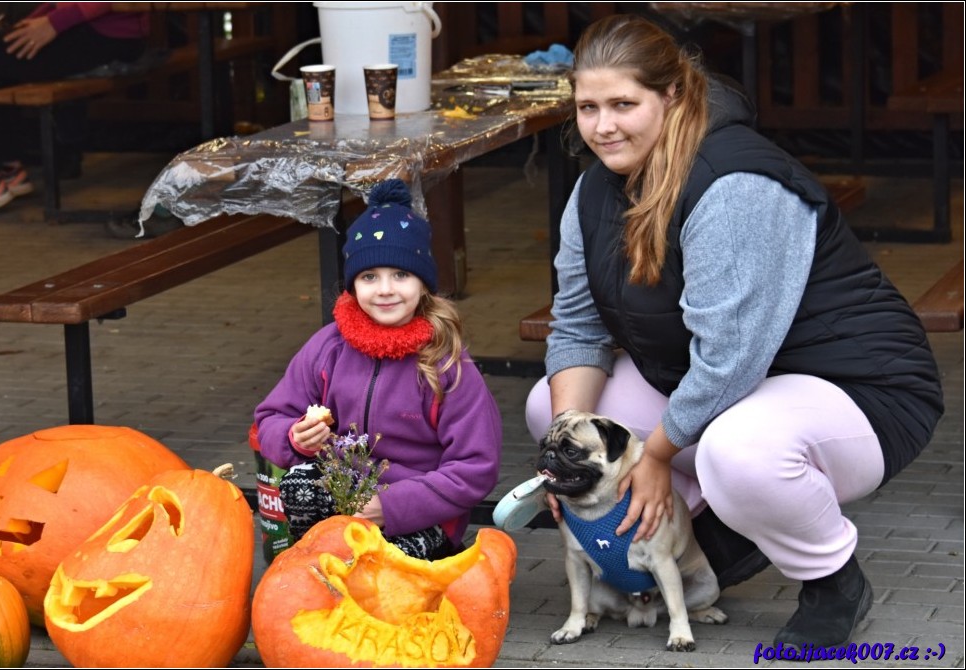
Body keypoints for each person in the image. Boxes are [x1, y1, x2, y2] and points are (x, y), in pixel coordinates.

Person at [524, 15, 943, 651]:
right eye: (587, 107)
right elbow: (578, 325)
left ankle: (831, 578)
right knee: (552, 407)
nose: (602, 126)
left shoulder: (734, 183)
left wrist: (657, 455)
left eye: (622, 104)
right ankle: (696, 536)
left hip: (859, 387)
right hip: (733, 385)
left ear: (671, 96)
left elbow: (728, 360)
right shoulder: (591, 191)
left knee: (737, 456)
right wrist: (559, 458)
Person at [254, 178, 503, 560]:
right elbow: (270, 416)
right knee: (300, 484)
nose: (385, 289)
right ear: (353, 284)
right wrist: (293, 438)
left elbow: (475, 466)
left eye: (401, 275)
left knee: (386, 574)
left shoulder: (445, 362)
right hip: (342, 495)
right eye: (370, 277)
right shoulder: (327, 347)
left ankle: (421, 562)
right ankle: (315, 563)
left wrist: (392, 506)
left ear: (424, 283)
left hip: (417, 510)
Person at [0, 3, 149, 213]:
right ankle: (8, 168)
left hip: (106, 33)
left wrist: (52, 23)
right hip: (94, 27)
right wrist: (34, 21)